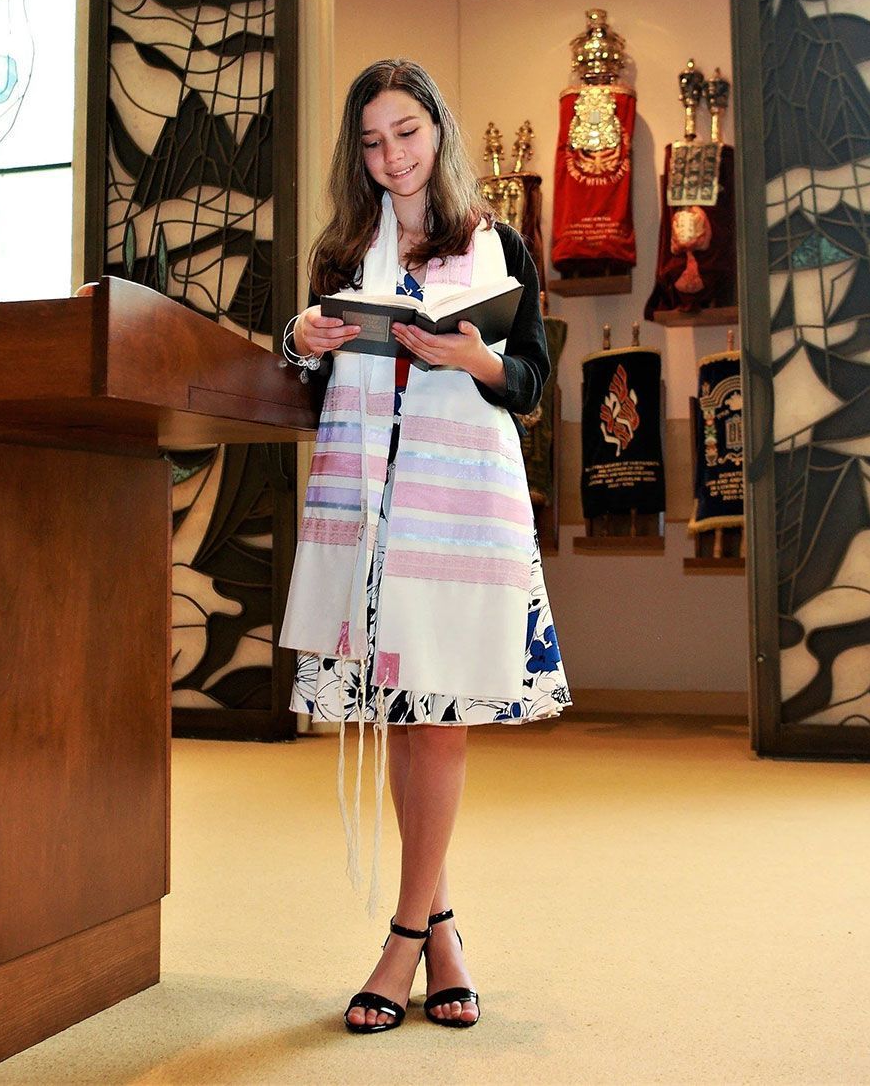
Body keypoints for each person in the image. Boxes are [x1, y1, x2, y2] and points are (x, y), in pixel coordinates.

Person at [278, 59, 571, 1035]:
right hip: (366, 506)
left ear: (437, 132)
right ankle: (442, 929)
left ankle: (402, 937)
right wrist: (303, 343)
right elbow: (309, 389)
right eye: (370, 140)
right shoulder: (340, 252)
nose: (390, 155)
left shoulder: (496, 247)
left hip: (456, 507)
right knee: (402, 712)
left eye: (405, 132)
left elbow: (528, 378)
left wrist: (471, 356)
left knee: (435, 717)